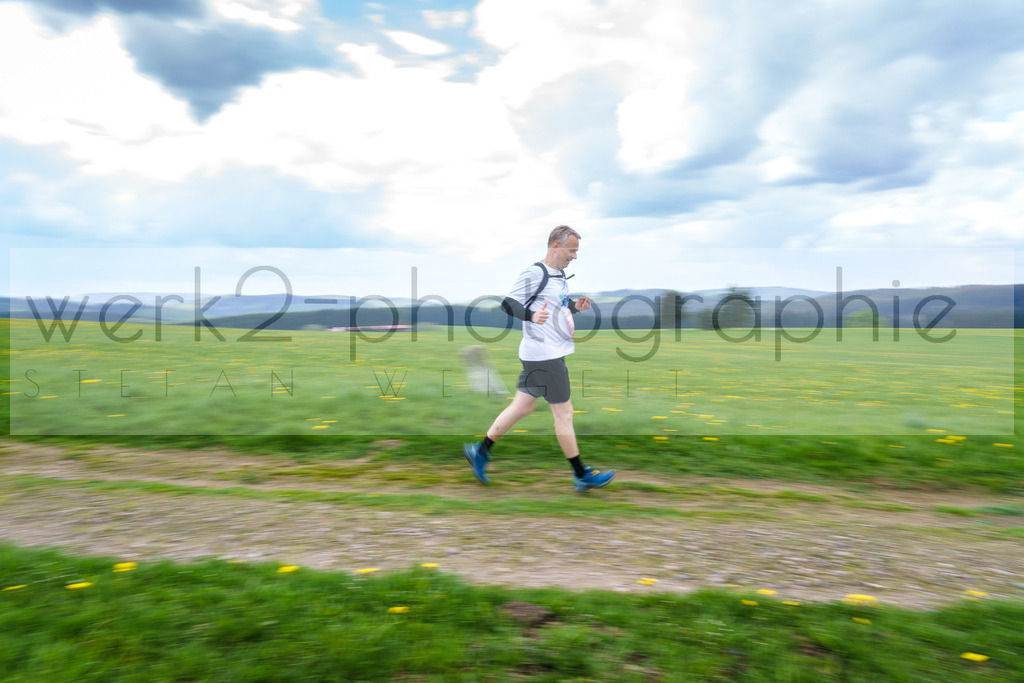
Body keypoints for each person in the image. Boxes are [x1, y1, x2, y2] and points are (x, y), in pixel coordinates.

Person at [463, 225, 616, 492]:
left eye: (576, 251)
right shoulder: (535, 273)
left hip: (544, 353)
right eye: (571, 250)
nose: (575, 256)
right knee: (564, 413)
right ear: (555, 246)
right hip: (545, 356)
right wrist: (531, 316)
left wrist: (575, 307)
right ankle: (581, 474)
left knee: (522, 407)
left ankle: (480, 451)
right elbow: (508, 303)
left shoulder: (558, 276)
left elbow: (557, 308)